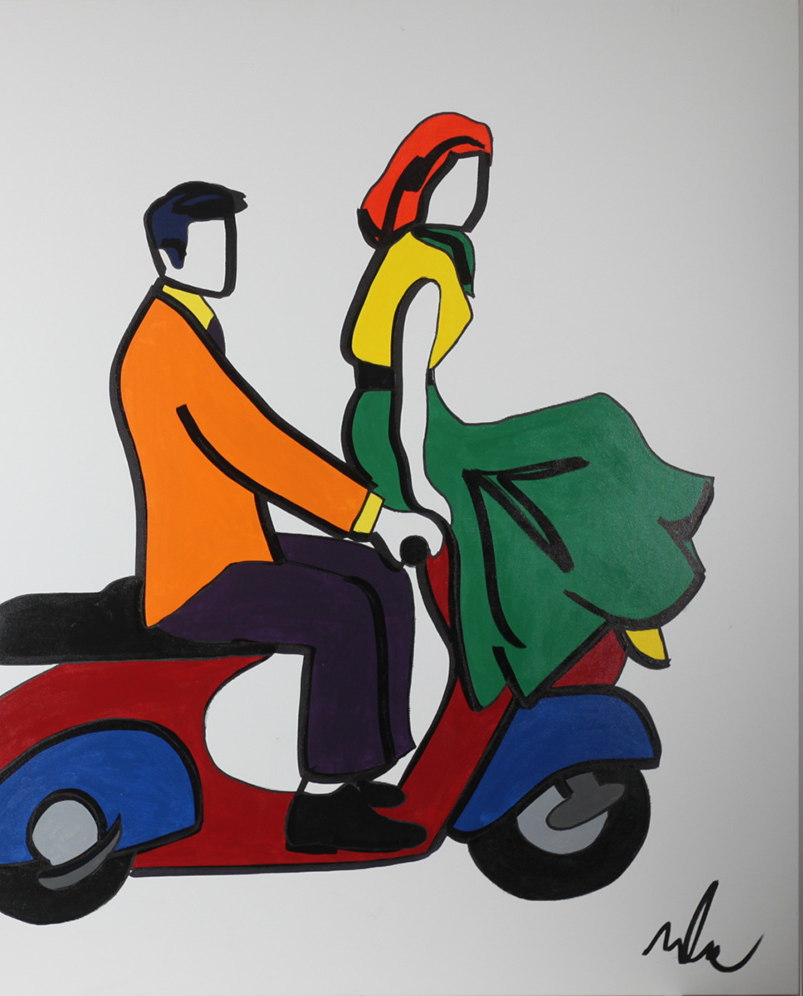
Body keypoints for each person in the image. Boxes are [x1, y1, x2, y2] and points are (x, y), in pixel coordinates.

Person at [110, 180, 442, 854]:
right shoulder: (167, 344)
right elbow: (257, 447)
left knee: (376, 575)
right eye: (211, 244)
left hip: (236, 545)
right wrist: (374, 514)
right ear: (170, 257)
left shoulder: (190, 326)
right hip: (201, 579)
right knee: (342, 612)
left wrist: (371, 527)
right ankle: (319, 808)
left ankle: (361, 770)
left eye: (228, 239)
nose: (226, 255)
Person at [341, 114, 713, 709]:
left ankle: (630, 591)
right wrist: (419, 486)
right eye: (455, 178)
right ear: (424, 185)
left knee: (585, 433)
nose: (469, 195)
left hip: (420, 417)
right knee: (590, 431)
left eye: (478, 178)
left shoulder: (430, 252)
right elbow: (407, 387)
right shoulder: (423, 269)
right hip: (400, 429)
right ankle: (632, 595)